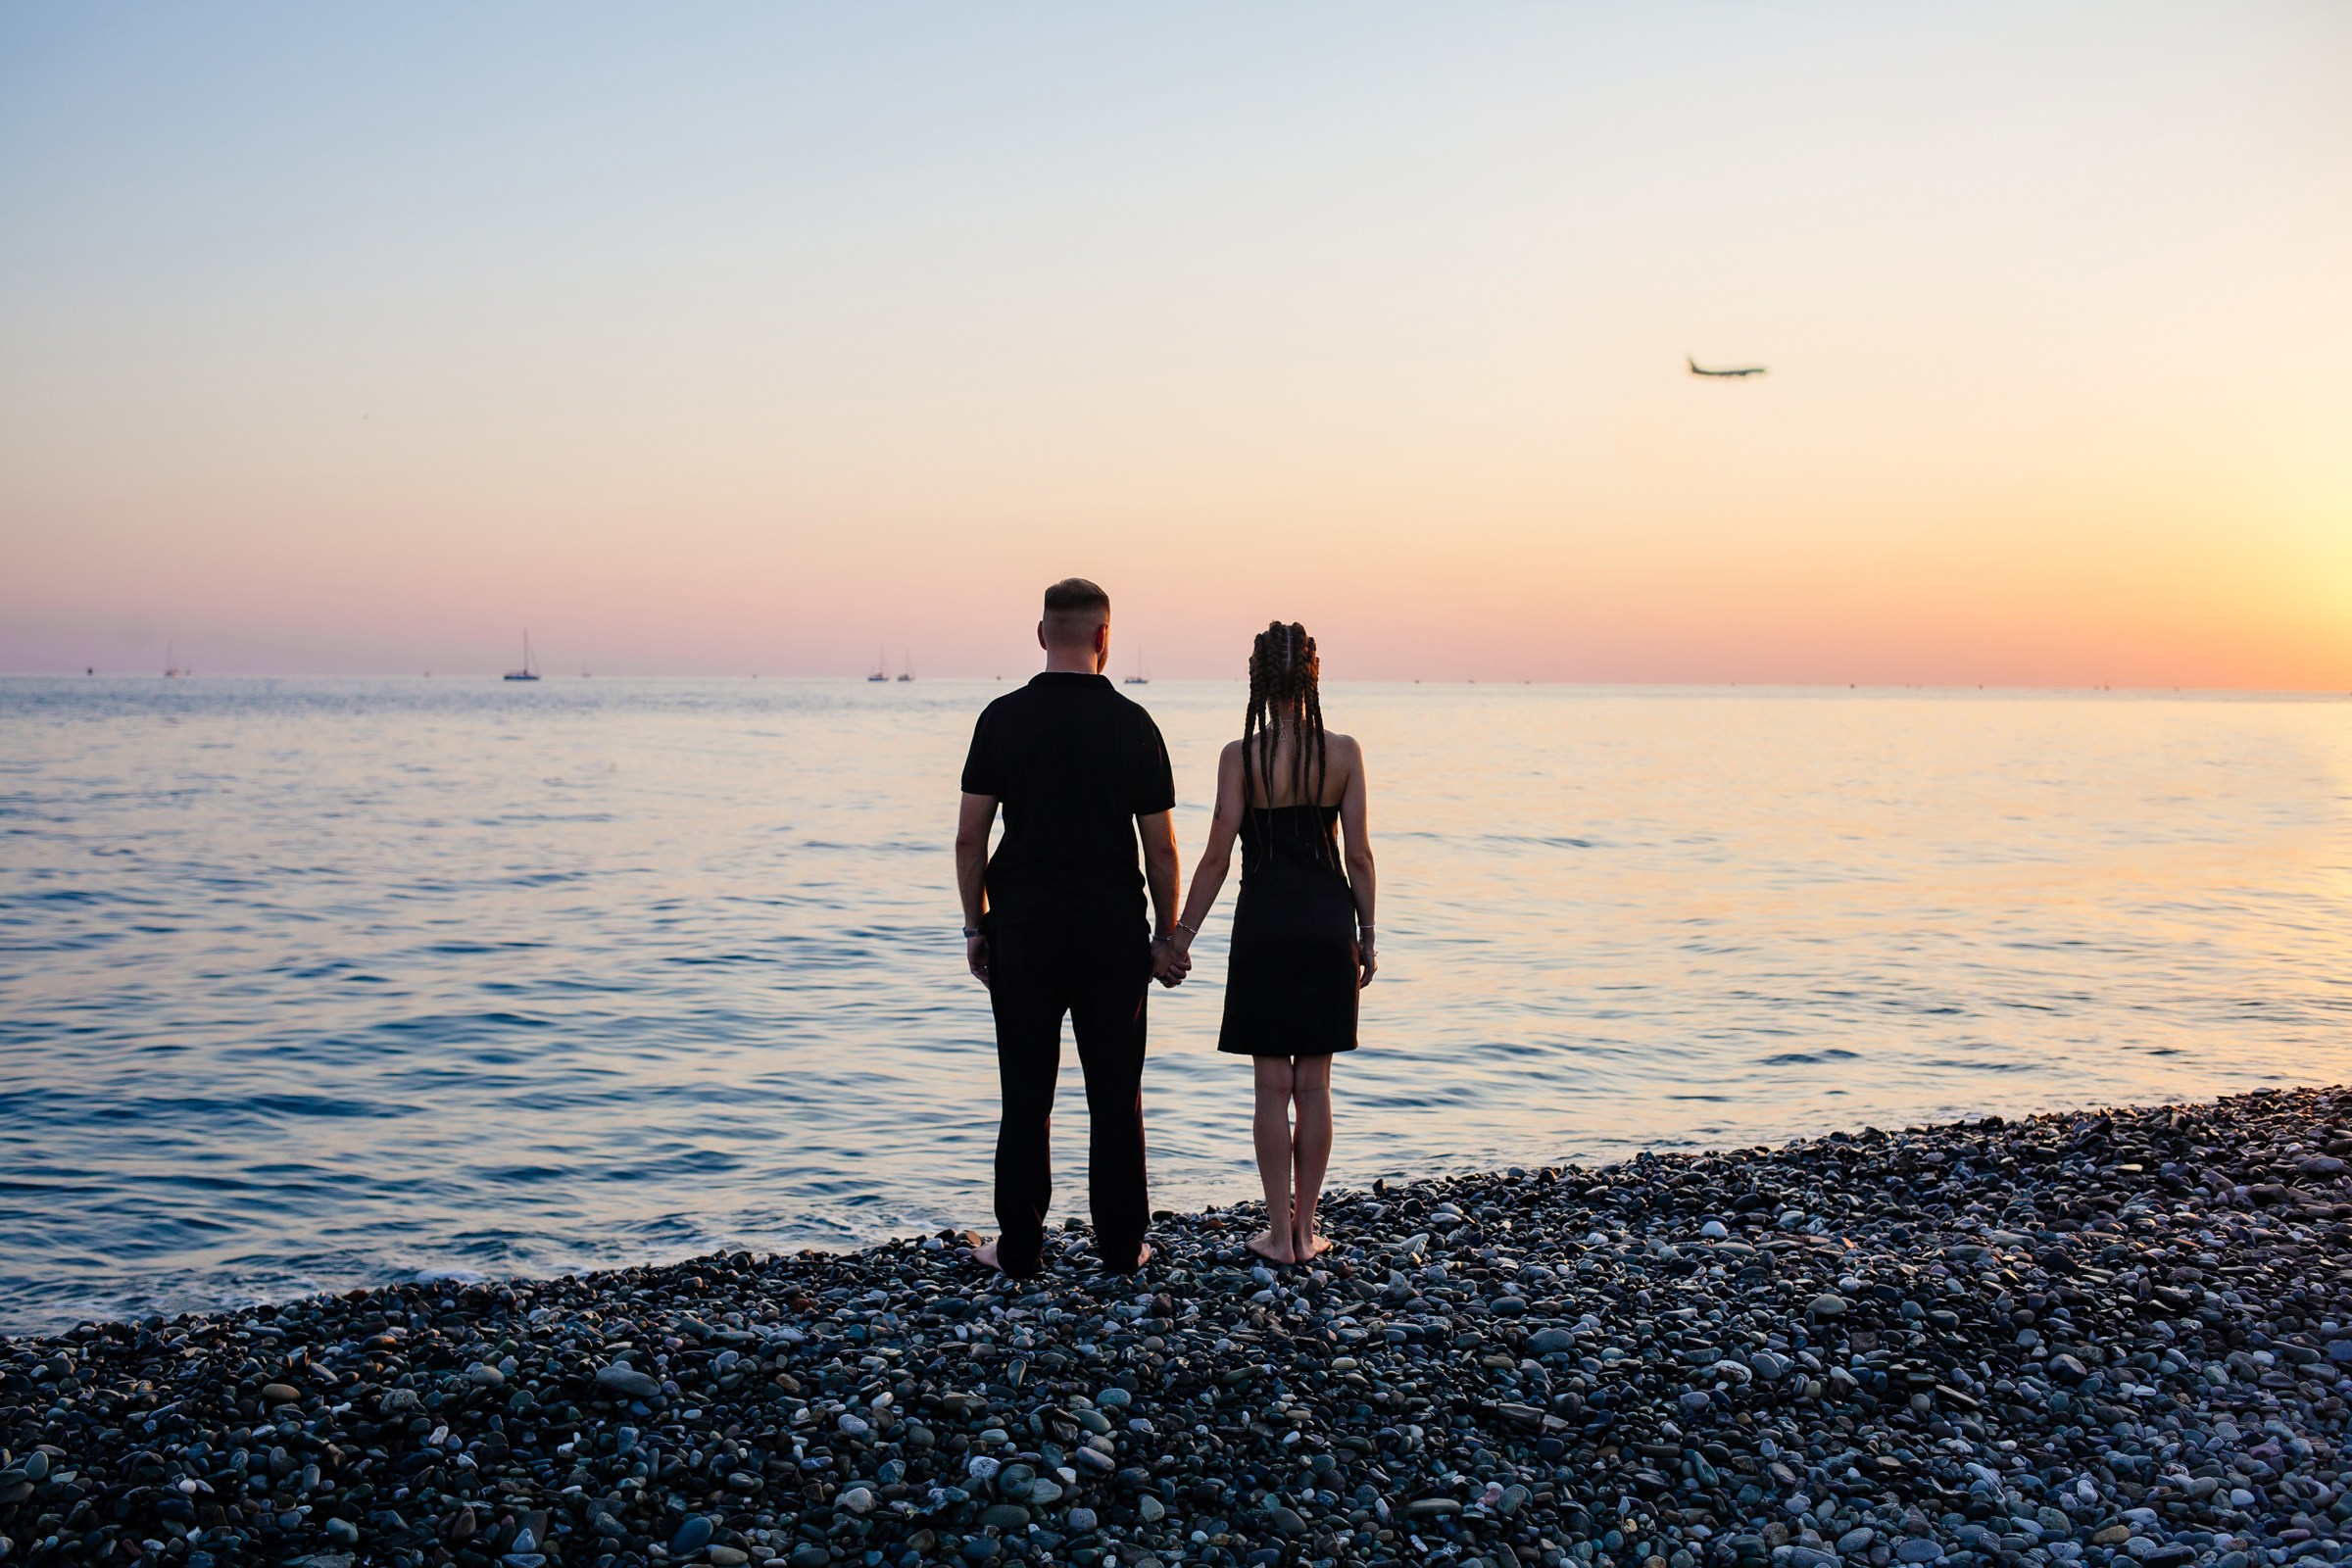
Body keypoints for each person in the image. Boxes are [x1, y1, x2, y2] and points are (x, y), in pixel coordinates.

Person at [956, 578, 1183, 1276]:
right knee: (1116, 1094)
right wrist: (1168, 934)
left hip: (1022, 929)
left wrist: (975, 927)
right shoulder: (1135, 723)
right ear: (1104, 639)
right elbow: (1163, 848)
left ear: (1042, 634)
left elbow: (970, 839)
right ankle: (1121, 1248)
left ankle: (1019, 1250)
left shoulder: (1001, 718)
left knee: (1026, 1093)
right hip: (1113, 932)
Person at [1158, 620, 1377, 1265]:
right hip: (1325, 922)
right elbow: (1359, 855)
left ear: (1256, 680)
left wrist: (1180, 937)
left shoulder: (1239, 756)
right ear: (1314, 677)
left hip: (1263, 925)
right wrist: (1368, 934)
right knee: (1315, 1086)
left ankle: (1275, 1235)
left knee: (1268, 1088)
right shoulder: (1343, 754)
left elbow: (1218, 855)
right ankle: (1306, 1232)